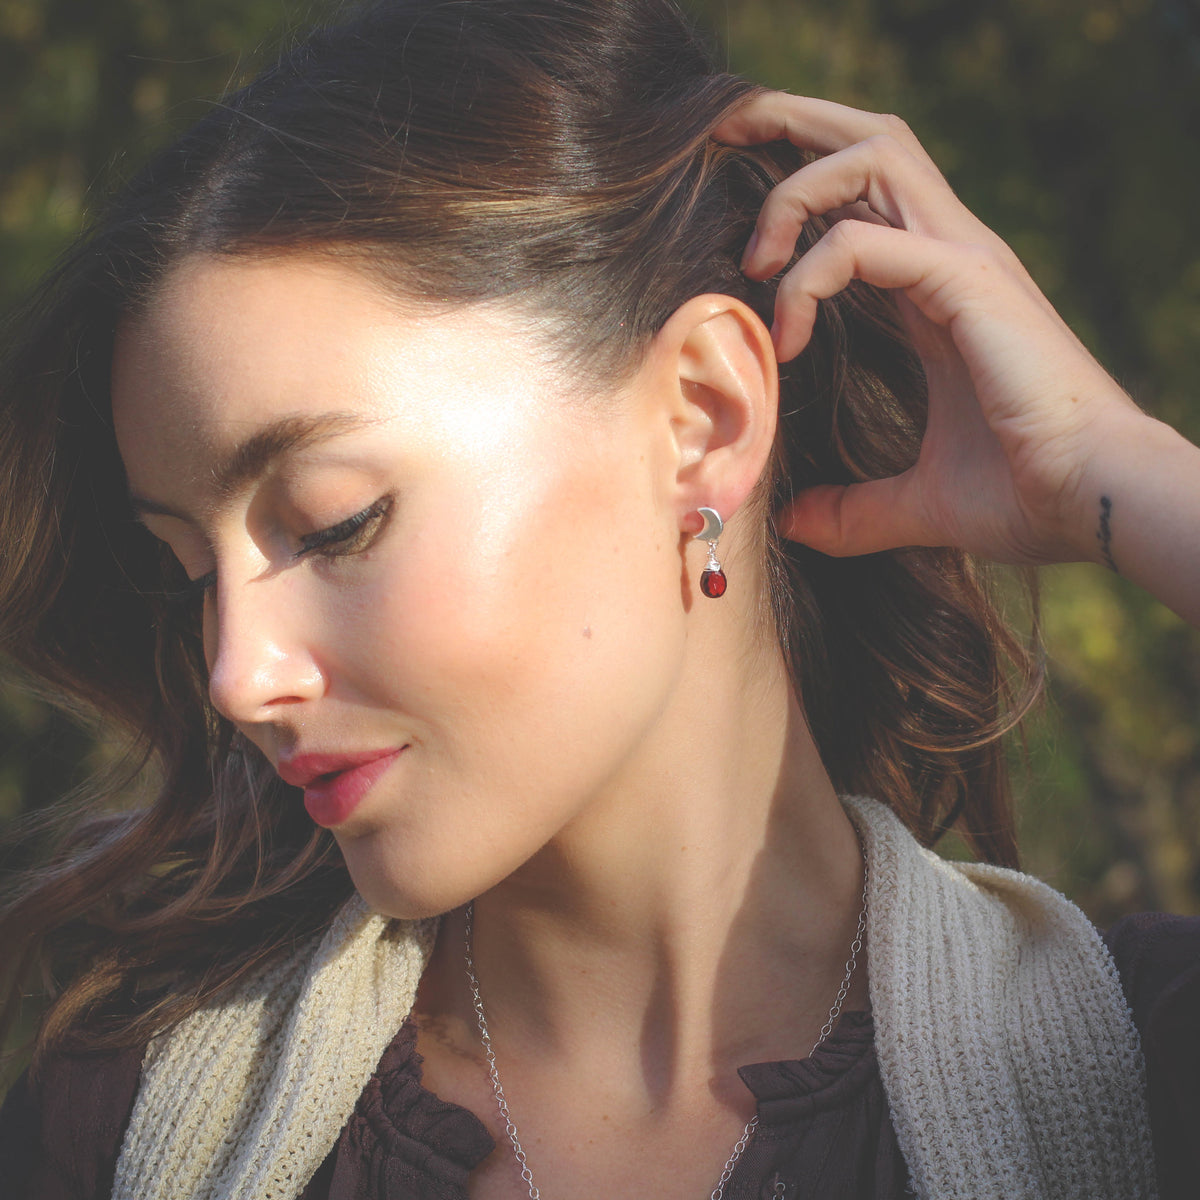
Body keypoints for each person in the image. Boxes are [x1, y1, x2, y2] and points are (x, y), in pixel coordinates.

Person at [0, 0, 1197, 1197]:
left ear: (702, 419)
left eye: (332, 523)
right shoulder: (126, 1129)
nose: (237, 674)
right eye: (192, 577)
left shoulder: (1137, 1078)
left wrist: (1120, 478)